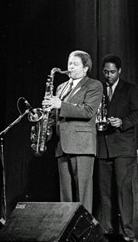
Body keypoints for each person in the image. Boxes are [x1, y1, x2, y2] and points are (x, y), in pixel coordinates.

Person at [43, 50, 103, 213]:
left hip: (82, 146)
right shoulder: (61, 87)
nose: (70, 67)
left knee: (82, 196)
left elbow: (88, 111)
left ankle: (84, 235)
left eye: (75, 64)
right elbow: (57, 114)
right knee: (66, 197)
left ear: (86, 68)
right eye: (69, 63)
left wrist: (60, 105)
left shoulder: (94, 85)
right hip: (62, 146)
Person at [94, 54, 138, 239]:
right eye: (106, 72)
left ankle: (127, 232)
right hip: (103, 147)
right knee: (104, 193)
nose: (108, 75)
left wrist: (121, 122)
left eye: (112, 72)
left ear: (120, 71)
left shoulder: (131, 89)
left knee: (124, 192)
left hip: (122, 147)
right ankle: (106, 231)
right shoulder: (98, 89)